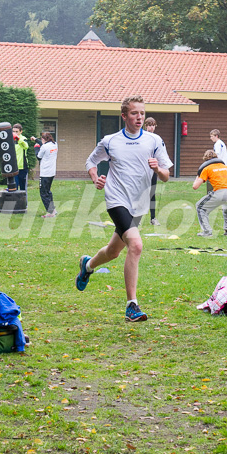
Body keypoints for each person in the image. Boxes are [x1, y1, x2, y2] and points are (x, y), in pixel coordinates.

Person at [75, 95, 173, 322]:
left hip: (139, 204)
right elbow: (90, 161)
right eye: (134, 113)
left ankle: (87, 265)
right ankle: (132, 306)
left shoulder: (154, 141)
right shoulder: (110, 141)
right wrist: (95, 179)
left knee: (113, 252)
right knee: (136, 246)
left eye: (142, 113)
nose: (139, 117)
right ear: (124, 116)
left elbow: (166, 176)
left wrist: (158, 169)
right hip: (117, 200)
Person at [193, 149, 227, 237]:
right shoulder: (226, 168)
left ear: (206, 160)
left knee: (200, 207)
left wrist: (198, 175)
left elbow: (195, 187)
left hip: (220, 193)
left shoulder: (207, 168)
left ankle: (207, 232)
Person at [31, 132, 58, 217]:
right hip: (52, 172)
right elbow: (44, 144)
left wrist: (36, 148)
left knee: (43, 192)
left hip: (45, 173)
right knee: (48, 191)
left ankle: (51, 212)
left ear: (43, 139)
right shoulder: (55, 144)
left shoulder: (44, 147)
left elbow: (38, 156)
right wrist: (35, 139)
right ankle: (53, 209)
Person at [144, 117, 161, 226]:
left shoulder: (157, 139)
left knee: (152, 194)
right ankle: (135, 216)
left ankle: (153, 218)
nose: (151, 127)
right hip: (142, 170)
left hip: (152, 170)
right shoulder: (142, 137)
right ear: (146, 126)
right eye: (149, 125)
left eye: (153, 125)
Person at [13, 124, 29, 191]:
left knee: (22, 187)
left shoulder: (23, 139)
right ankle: (15, 200)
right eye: (14, 131)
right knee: (14, 186)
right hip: (14, 167)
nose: (15, 133)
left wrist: (18, 140)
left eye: (17, 131)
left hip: (22, 167)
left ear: (21, 131)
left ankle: (23, 201)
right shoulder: (10, 139)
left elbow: (26, 147)